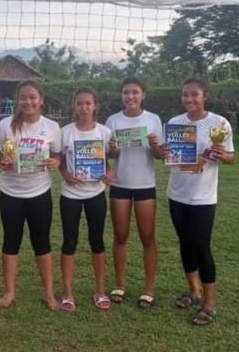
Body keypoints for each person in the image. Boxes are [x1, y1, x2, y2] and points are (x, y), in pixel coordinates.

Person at [155, 77, 235, 326]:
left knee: (201, 246)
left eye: (194, 95)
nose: (189, 99)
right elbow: (165, 156)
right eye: (185, 95)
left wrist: (223, 155)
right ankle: (193, 291)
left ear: (205, 96)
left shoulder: (219, 124)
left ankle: (209, 304)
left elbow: (231, 157)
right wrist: (164, 151)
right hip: (177, 194)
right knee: (185, 244)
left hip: (202, 197)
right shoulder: (176, 123)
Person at [0, 80, 61, 311]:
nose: (28, 102)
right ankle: (9, 291)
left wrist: (55, 161)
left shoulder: (52, 126)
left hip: (39, 193)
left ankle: (50, 294)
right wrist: (1, 161)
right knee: (11, 241)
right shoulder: (4, 125)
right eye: (23, 97)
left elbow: (57, 155)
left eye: (33, 97)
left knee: (41, 242)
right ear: (17, 100)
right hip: (10, 192)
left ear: (41, 99)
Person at [105, 76, 163, 309]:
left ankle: (148, 288)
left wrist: (155, 144)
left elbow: (159, 155)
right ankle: (119, 284)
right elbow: (111, 155)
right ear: (122, 95)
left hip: (145, 185)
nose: (130, 97)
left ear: (143, 95)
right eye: (126, 92)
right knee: (120, 236)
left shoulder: (153, 119)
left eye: (135, 92)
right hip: (120, 184)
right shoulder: (112, 120)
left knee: (147, 238)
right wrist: (112, 149)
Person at [59, 87, 113, 311]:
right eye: (80, 103)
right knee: (69, 242)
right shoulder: (66, 132)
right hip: (70, 194)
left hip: (96, 193)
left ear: (95, 105)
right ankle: (68, 293)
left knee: (97, 241)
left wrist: (109, 173)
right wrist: (65, 174)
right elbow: (59, 160)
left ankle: (100, 291)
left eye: (88, 103)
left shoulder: (104, 132)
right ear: (74, 106)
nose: (84, 107)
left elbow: (107, 161)